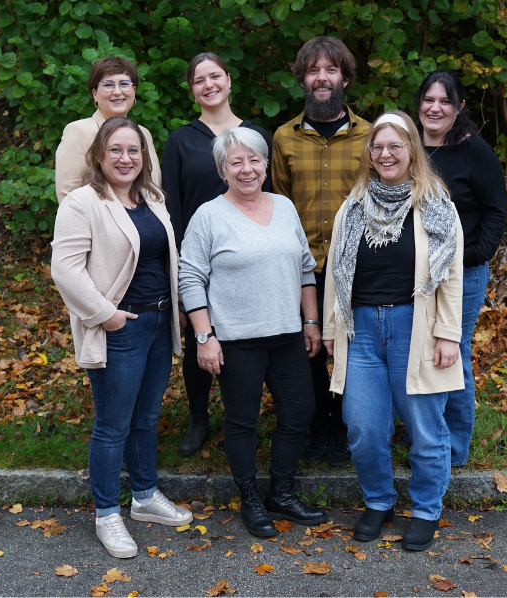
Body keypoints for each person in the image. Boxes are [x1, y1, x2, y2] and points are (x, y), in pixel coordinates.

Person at [322, 111, 464, 552]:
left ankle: (425, 510)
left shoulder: (435, 202)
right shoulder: (354, 203)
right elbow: (335, 269)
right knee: (363, 428)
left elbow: (452, 274)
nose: (385, 154)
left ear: (411, 151)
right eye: (378, 147)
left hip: (414, 328)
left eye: (395, 146)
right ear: (369, 154)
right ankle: (379, 501)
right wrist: (331, 327)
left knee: (426, 429)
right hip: (361, 330)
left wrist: (448, 333)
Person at [51, 117, 192, 559]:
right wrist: (106, 315)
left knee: (146, 417)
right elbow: (66, 270)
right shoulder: (82, 202)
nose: (126, 158)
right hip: (121, 326)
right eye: (115, 150)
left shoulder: (152, 198)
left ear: (143, 157)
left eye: (133, 151)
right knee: (112, 426)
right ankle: (107, 513)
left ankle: (145, 496)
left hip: (158, 321)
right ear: (98, 155)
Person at [179, 127, 326, 538]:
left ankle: (281, 491)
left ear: (265, 164)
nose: (246, 169)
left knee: (299, 413)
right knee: (242, 420)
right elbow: (189, 277)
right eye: (235, 162)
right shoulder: (209, 215)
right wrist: (205, 337)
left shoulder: (284, 207)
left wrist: (310, 322)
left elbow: (304, 269)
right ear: (223, 170)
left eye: (253, 160)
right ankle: (250, 497)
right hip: (236, 339)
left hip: (286, 335)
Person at [162, 52, 274, 457]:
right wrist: (174, 267)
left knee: (248, 335)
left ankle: (245, 415)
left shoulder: (256, 135)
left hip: (248, 254)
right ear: (192, 90)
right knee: (200, 334)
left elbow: (271, 194)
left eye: (215, 76)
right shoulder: (181, 139)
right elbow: (171, 206)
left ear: (229, 80)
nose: (208, 84)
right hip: (199, 257)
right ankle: (197, 418)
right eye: (198, 80)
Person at [271, 36, 370, 467]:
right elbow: (277, 203)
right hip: (303, 263)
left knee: (350, 346)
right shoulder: (282, 138)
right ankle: (318, 425)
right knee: (308, 350)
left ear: (345, 77)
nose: (322, 78)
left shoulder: (370, 136)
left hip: (357, 264)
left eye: (331, 70)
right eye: (314, 71)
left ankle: (346, 424)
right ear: (303, 80)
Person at [414, 71, 507, 467]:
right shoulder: (407, 147)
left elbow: (495, 209)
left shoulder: (474, 150)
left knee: (452, 352)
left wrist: (476, 254)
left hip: (462, 274)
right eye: (428, 100)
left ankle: (453, 451)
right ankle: (425, 438)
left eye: (445, 101)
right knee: (418, 350)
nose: (435, 108)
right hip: (414, 273)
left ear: (459, 108)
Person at [55, 57, 161, 203]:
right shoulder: (78, 131)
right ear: (94, 94)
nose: (117, 92)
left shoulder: (144, 134)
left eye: (124, 84)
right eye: (108, 85)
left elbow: (154, 188)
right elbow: (67, 196)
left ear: (134, 91)